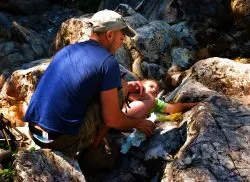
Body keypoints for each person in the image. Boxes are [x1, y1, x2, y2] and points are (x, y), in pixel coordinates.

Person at [24, 9, 155, 158]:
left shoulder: (69, 49)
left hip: (35, 131)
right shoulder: (108, 63)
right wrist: (138, 123)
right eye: (122, 35)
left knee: (120, 86)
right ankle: (95, 151)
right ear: (110, 34)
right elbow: (112, 119)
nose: (123, 41)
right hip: (58, 140)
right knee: (119, 91)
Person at [122, 79, 198, 119]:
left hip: (128, 119)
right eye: (151, 86)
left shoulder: (155, 102)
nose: (154, 90)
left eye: (156, 92)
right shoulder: (130, 91)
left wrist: (190, 105)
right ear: (141, 85)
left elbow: (173, 108)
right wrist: (130, 92)